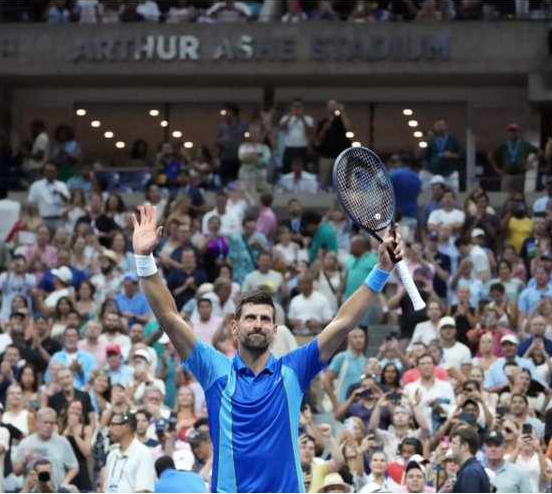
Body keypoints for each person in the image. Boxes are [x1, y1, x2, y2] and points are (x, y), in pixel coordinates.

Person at [130, 204, 404, 492]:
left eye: (265, 319)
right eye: (250, 318)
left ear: (275, 331)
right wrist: (144, 259)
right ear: (234, 327)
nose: (257, 324)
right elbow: (170, 319)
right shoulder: (215, 370)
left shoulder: (293, 369)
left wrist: (382, 269)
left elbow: (343, 322)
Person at [12, 408, 79, 490]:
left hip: (56, 489)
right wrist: (24, 460)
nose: (48, 426)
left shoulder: (63, 442)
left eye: (51, 423)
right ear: (37, 423)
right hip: (33, 490)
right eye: (45, 422)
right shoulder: (25, 443)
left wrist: (65, 481)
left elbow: (74, 467)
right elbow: (16, 472)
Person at [99, 411, 155, 493]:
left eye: (113, 425)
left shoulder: (143, 453)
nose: (109, 429)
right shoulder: (112, 455)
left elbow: (141, 490)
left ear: (126, 427)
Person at [488, 123, 539, 193]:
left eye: (515, 131)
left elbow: (539, 152)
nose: (513, 133)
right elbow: (490, 155)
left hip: (520, 174)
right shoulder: (504, 145)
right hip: (507, 174)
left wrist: (530, 162)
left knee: (519, 195)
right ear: (508, 133)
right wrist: (496, 169)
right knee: (504, 194)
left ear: (519, 133)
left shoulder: (524, 145)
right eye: (511, 131)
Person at [421, 118, 461, 191]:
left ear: (446, 126)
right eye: (437, 126)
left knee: (453, 191)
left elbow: (461, 154)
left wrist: (452, 155)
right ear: (434, 127)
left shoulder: (453, 139)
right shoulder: (431, 141)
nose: (439, 128)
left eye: (441, 125)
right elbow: (425, 157)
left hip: (450, 172)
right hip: (433, 173)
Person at [448, 426, 490, 493]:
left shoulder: (470, 473)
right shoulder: (471, 470)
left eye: (454, 443)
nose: (451, 446)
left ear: (464, 446)